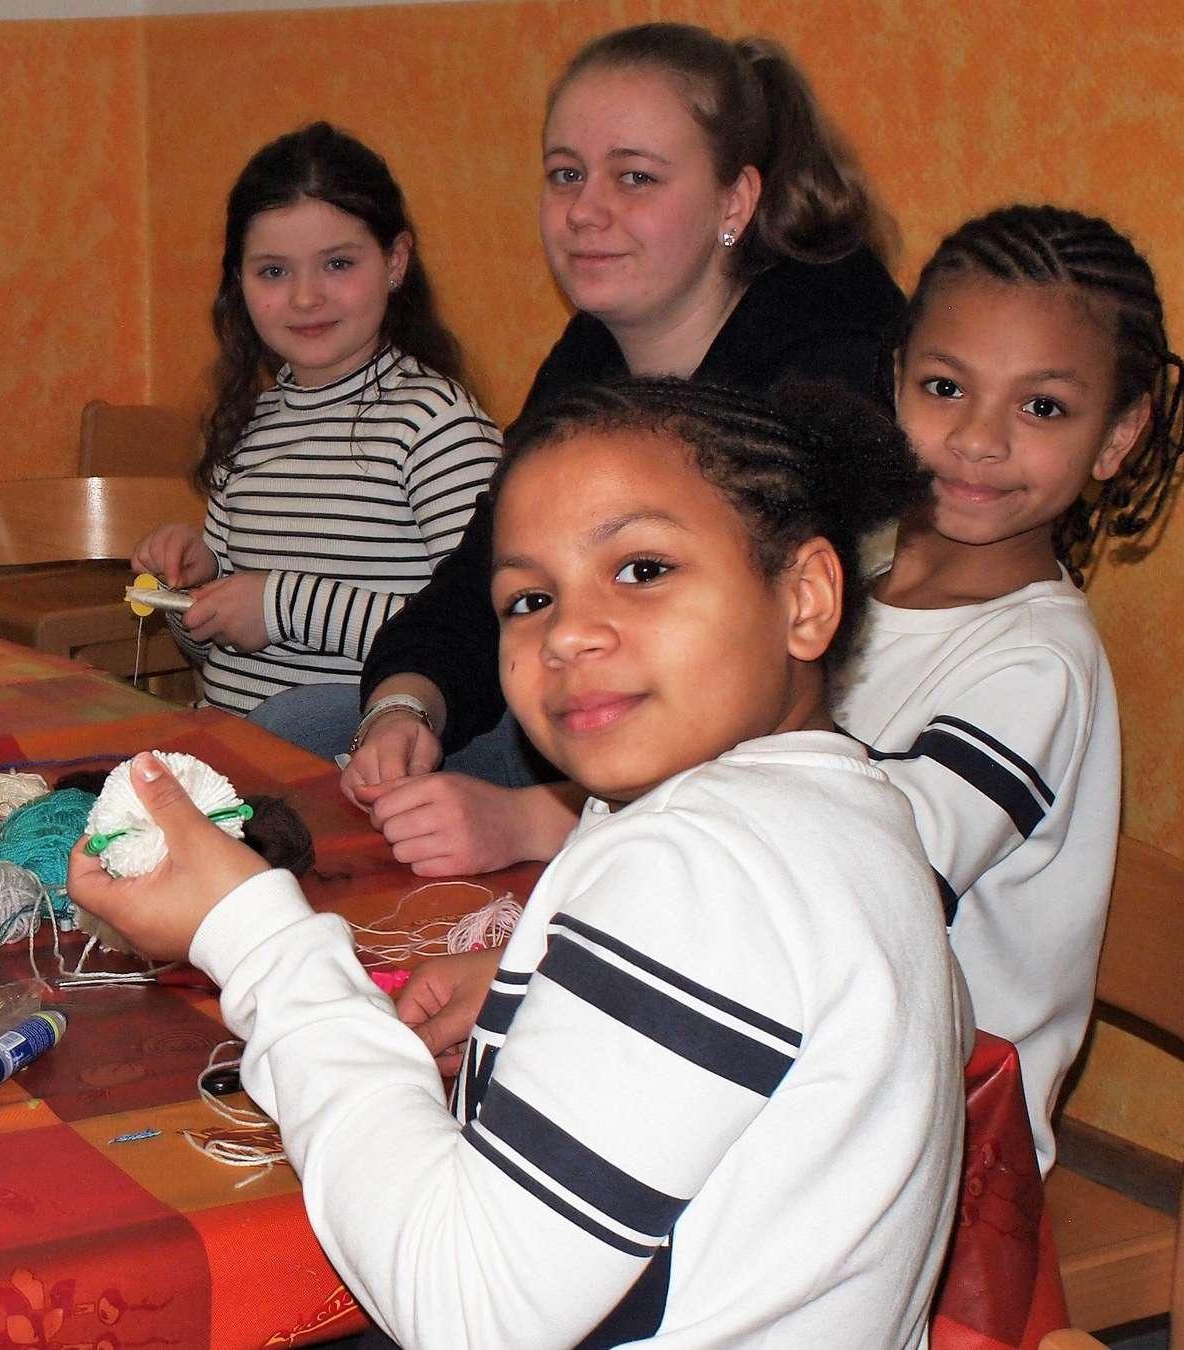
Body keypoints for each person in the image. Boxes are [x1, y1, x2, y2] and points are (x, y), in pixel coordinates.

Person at [73, 379, 967, 1347]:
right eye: (529, 599)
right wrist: (536, 993)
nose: (568, 633)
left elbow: (470, 1312)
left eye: (643, 568)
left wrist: (256, 938)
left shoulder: (704, 867)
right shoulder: (846, 812)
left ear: (805, 598)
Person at [342, 21, 901, 876]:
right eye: (566, 173)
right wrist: (404, 706)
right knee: (310, 734)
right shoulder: (589, 355)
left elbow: (764, 701)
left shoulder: (831, 362)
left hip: (767, 816)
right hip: (597, 738)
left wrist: (543, 816)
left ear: (734, 203)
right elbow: (490, 572)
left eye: (634, 176)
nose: (585, 210)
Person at [842, 204, 1184, 1171]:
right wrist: (541, 817)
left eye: (1042, 407)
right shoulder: (834, 585)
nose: (979, 440)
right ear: (898, 379)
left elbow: (853, 881)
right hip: (806, 1073)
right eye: (946, 386)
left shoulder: (1037, 665)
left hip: (935, 1155)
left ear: (1118, 436)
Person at [128, 123, 498, 751]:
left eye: (338, 264)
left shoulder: (435, 423)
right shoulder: (250, 424)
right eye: (273, 271)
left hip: (355, 778)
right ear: (238, 284)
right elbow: (219, 648)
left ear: (396, 262)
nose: (305, 296)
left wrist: (279, 605)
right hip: (236, 769)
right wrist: (189, 596)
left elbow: (486, 628)